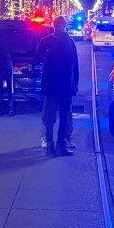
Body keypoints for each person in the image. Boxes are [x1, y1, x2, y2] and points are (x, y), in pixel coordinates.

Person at [36, 17, 79, 157]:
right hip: (65, 85)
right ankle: (59, 145)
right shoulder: (69, 42)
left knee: (51, 116)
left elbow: (38, 59)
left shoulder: (46, 41)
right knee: (63, 116)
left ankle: (50, 145)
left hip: (52, 85)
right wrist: (75, 84)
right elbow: (74, 66)